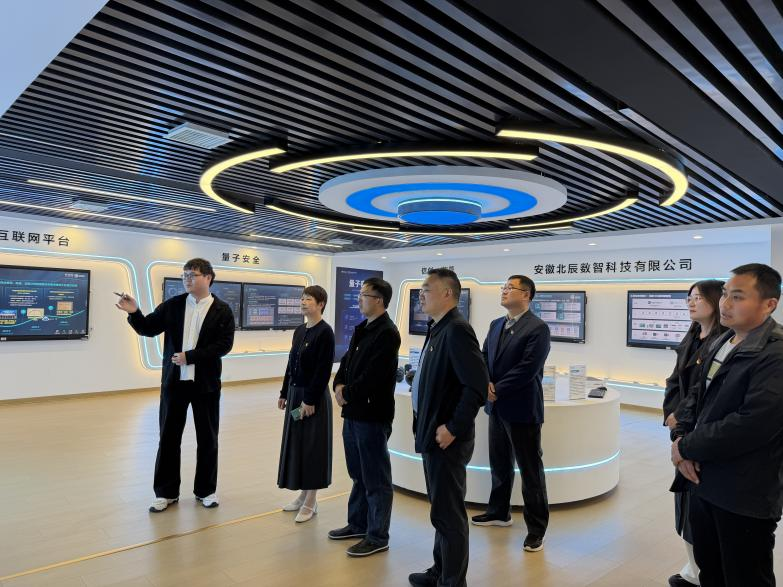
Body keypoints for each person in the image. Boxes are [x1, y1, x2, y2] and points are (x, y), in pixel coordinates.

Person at [671, 263, 783, 587]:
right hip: (703, 481)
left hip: (744, 492)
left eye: (737, 296)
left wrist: (685, 447)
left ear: (769, 304)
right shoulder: (722, 340)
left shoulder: (775, 354)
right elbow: (695, 395)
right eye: (724, 294)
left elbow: (751, 424)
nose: (725, 304)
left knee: (745, 576)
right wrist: (680, 435)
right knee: (711, 570)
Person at [115, 258, 235, 513]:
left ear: (208, 278)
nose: (187, 279)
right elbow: (148, 328)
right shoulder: (173, 305)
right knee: (168, 438)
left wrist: (190, 356)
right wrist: (134, 312)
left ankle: (206, 491)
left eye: (192, 274)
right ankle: (165, 493)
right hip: (174, 384)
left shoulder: (222, 310)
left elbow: (224, 346)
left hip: (206, 386)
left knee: (208, 439)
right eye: (184, 275)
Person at [407, 268, 488, 587]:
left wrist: (453, 427)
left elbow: (476, 387)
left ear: (447, 294)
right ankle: (439, 571)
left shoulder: (457, 330)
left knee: (449, 514)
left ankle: (452, 581)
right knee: (440, 511)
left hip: (447, 440)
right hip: (432, 434)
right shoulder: (438, 327)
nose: (420, 295)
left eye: (426, 289)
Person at [470, 275, 551, 553]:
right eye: (503, 287)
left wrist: (497, 389)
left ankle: (536, 529)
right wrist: (485, 384)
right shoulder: (496, 324)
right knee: (500, 464)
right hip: (496, 407)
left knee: (530, 471)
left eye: (510, 288)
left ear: (526, 295)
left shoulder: (538, 328)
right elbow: (483, 356)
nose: (504, 291)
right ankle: (499, 512)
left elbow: (528, 368)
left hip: (522, 408)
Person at [330, 277, 401, 557]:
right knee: (358, 473)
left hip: (371, 415)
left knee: (376, 478)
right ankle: (358, 524)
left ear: (379, 300)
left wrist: (347, 393)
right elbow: (347, 363)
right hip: (353, 413)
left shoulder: (387, 333)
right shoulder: (363, 328)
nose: (359, 299)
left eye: (364, 295)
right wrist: (338, 384)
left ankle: (377, 535)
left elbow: (374, 376)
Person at [662, 280, 727, 587]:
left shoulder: (724, 342)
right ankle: (694, 569)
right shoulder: (691, 336)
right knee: (686, 506)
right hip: (683, 430)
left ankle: (699, 572)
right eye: (689, 297)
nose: (691, 302)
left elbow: (704, 392)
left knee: (698, 504)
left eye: (698, 298)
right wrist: (672, 416)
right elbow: (674, 382)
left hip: (702, 434)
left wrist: (683, 422)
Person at [277, 285, 335, 523]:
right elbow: (291, 363)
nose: (303, 302)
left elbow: (323, 371)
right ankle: (302, 495)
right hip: (295, 395)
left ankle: (311, 500)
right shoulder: (300, 330)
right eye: (302, 298)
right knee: (298, 445)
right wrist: (284, 392)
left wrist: (309, 400)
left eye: (308, 299)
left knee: (313, 449)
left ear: (321, 304)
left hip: (313, 399)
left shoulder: (325, 332)